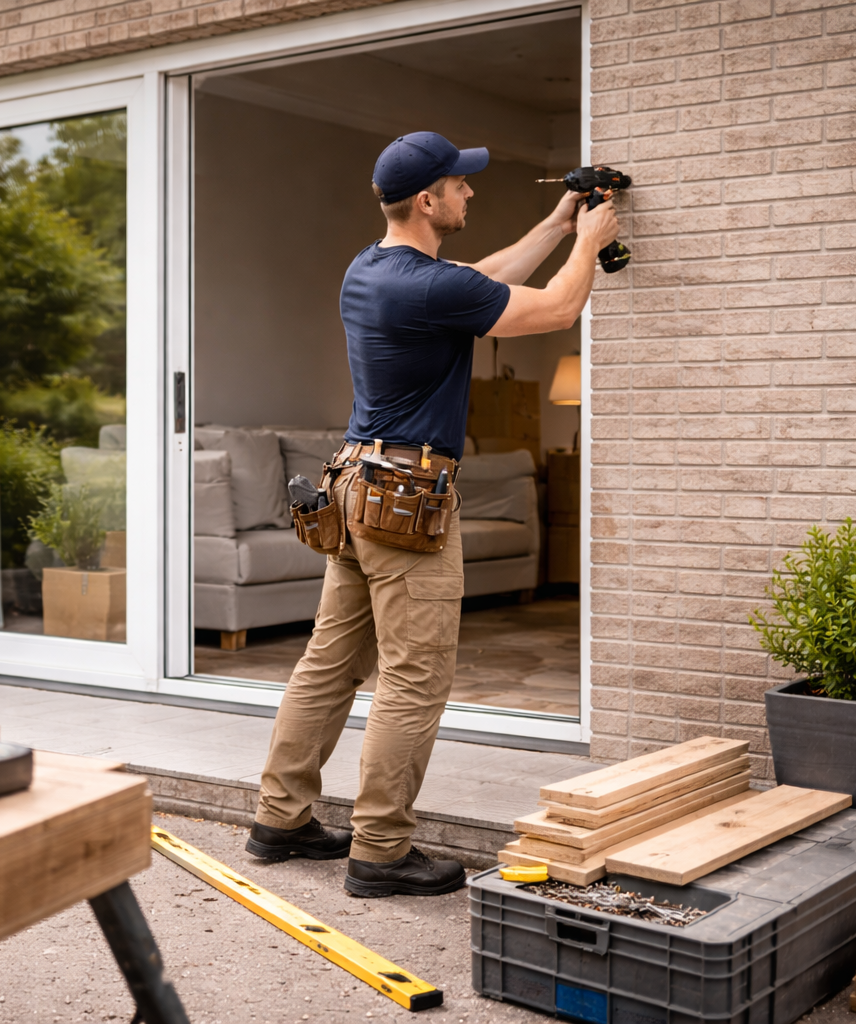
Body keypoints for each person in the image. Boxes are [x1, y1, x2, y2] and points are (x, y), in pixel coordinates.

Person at [245, 132, 620, 897]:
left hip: (352, 490)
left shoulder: (374, 268)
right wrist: (590, 242)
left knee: (329, 663)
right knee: (413, 679)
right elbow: (555, 308)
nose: (470, 193)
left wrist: (555, 225)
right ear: (428, 200)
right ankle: (381, 851)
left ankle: (278, 819)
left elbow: (478, 281)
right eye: (461, 184)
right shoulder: (425, 286)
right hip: (406, 501)